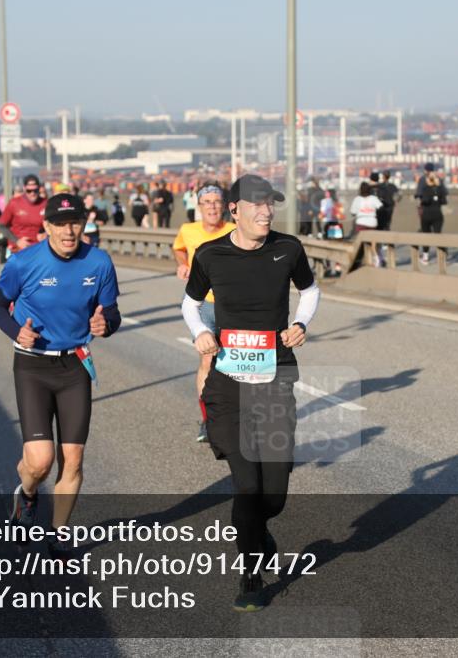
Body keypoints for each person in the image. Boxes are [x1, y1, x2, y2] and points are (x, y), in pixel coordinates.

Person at [181, 174, 320, 612]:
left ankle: (260, 529)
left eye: (271, 205)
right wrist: (201, 331)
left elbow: (311, 290)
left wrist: (300, 325)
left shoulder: (288, 249)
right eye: (256, 205)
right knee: (246, 484)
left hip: (276, 378)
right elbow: (190, 302)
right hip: (228, 385)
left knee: (273, 493)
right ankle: (250, 575)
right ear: (234, 210)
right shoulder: (210, 254)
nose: (266, 212)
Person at [0, 193, 122, 556]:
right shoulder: (23, 262)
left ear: (83, 224)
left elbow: (111, 312)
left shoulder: (99, 262)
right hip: (32, 364)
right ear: (46, 226)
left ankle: (59, 532)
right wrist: (17, 332)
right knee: (40, 461)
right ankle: (26, 493)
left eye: (75, 222)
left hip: (75, 364)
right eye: (60, 223)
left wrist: (105, 323)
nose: (69, 230)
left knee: (74, 458)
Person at [172, 183, 236, 442]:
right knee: (208, 360)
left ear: (225, 206)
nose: (212, 206)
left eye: (216, 201)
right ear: (199, 206)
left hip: (233, 306)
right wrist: (183, 263)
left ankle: (236, 416)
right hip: (203, 305)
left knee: (235, 363)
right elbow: (177, 248)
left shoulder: (235, 230)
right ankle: (208, 420)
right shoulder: (188, 230)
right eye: (206, 202)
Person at [0, 174, 47, 255]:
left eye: (35, 190)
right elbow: (1, 226)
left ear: (39, 189)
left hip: (38, 250)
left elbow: (54, 226)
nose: (32, 193)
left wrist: (47, 234)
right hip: (18, 250)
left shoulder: (46, 203)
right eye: (29, 191)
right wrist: (17, 241)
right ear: (24, 189)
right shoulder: (14, 203)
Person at [416, 170, 448, 265]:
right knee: (438, 234)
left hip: (426, 214)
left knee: (426, 236)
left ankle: (425, 257)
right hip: (438, 214)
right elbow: (444, 201)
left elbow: (423, 200)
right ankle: (443, 255)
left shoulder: (425, 188)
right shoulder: (440, 189)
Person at [350, 181, 384, 266]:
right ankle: (376, 260)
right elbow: (381, 207)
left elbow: (353, 212)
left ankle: (359, 262)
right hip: (372, 222)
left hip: (361, 223)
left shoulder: (357, 199)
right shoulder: (373, 198)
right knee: (373, 243)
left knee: (360, 244)